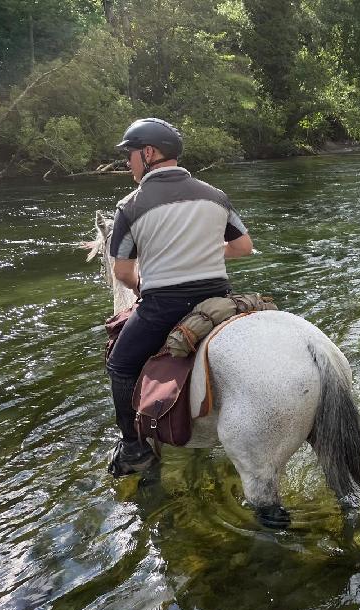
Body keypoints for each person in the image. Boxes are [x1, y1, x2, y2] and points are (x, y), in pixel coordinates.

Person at [106, 118, 253, 477]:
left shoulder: (131, 205)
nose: (129, 163)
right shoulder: (214, 194)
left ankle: (133, 448)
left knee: (121, 365)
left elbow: (123, 273)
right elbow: (243, 247)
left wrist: (145, 285)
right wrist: (203, 252)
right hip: (218, 299)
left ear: (149, 153)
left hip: (162, 305)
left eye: (131, 155)